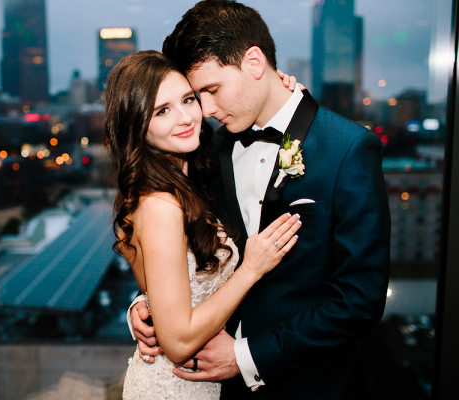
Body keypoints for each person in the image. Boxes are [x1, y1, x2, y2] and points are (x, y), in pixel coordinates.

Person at [130, 1, 391, 399]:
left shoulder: (348, 149)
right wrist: (148, 305)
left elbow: (359, 302)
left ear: (254, 62)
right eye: (195, 95)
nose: (206, 110)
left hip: (311, 384)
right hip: (215, 388)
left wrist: (245, 357)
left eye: (211, 90)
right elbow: (184, 244)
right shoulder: (208, 148)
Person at [104, 50, 302, 399]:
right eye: (162, 111)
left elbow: (168, 283)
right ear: (137, 125)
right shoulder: (162, 205)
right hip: (175, 385)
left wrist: (142, 305)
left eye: (188, 100)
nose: (186, 118)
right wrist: (251, 268)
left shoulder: (187, 176)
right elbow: (178, 341)